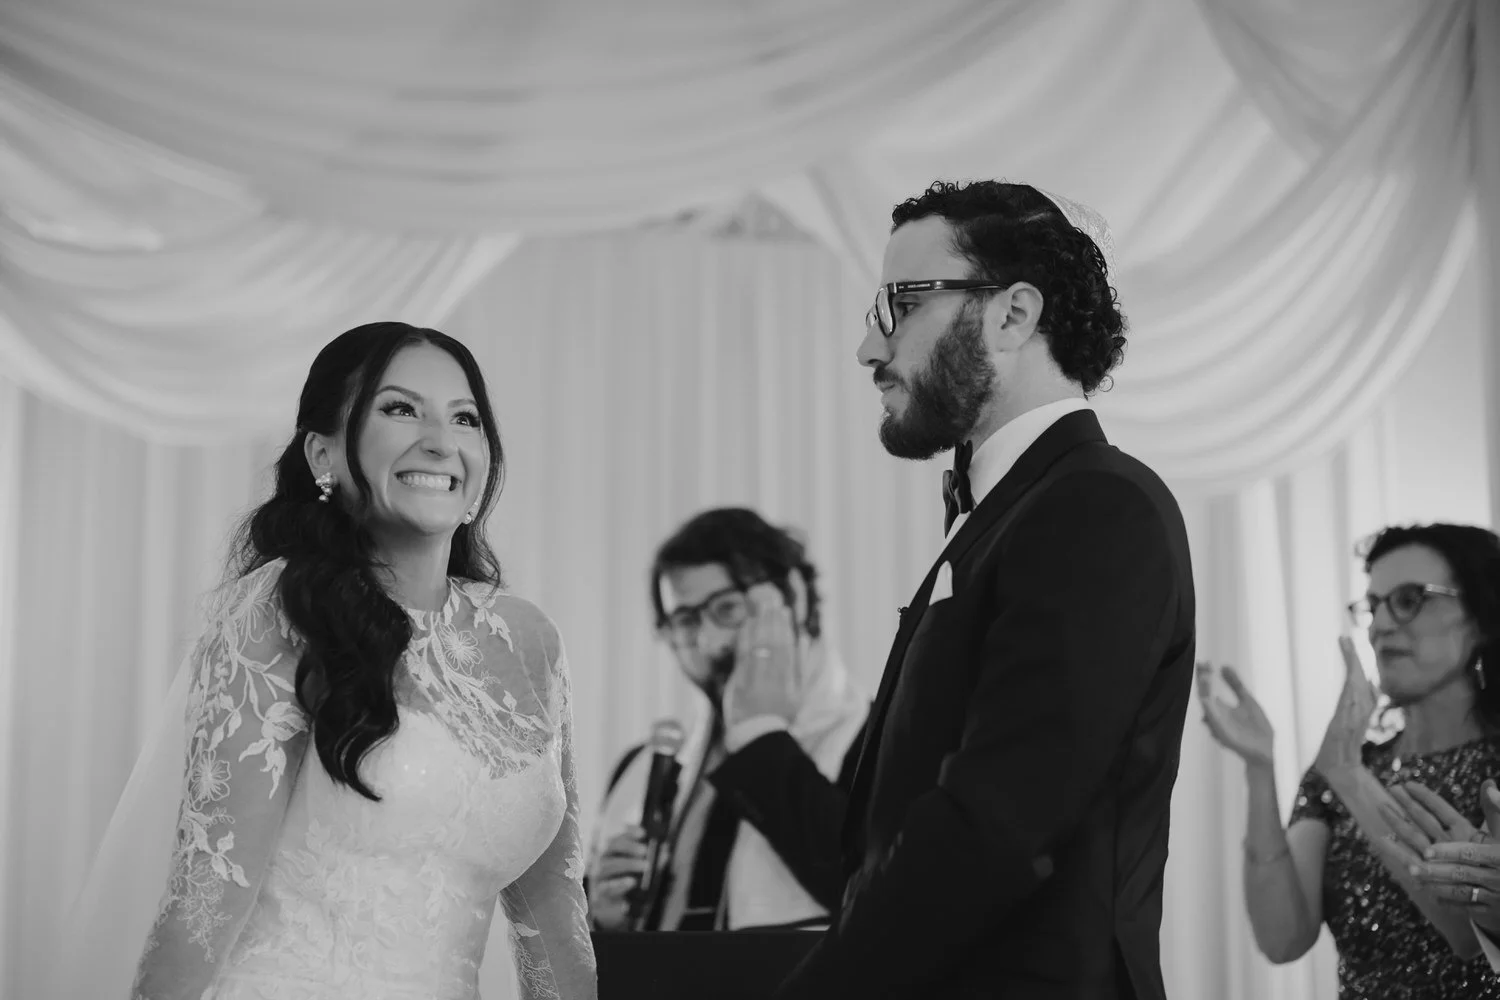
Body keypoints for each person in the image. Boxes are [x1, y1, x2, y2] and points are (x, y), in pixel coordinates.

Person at [62, 323, 595, 1000]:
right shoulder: (280, 614)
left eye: (465, 418)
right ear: (323, 454)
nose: (440, 439)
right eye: (400, 409)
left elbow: (552, 901)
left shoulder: (530, 640)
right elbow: (209, 892)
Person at [774, 181, 1196, 999]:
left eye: (899, 303)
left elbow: (994, 825)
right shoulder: (1010, 509)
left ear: (1013, 315)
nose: (869, 347)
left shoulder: (1095, 506)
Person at [1200, 522, 1500, 998]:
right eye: (1374, 606)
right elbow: (1282, 939)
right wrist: (1260, 770)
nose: (1380, 626)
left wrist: (1350, 777)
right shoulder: (1341, 770)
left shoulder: (1487, 774)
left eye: (1408, 599)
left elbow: (1468, 938)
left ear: (1482, 617)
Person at [586, 508, 868, 933]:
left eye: (727, 608)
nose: (709, 642)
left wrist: (760, 739)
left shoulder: (879, 738)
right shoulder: (641, 769)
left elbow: (884, 902)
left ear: (794, 594)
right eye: (685, 620)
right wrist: (603, 920)